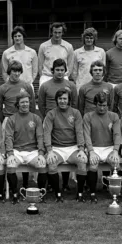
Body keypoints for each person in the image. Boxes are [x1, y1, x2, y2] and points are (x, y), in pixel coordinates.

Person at [38, 58, 77, 191]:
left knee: (66, 145)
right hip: (50, 120)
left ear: (65, 71)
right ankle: (50, 183)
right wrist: (47, 117)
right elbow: (41, 104)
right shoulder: (45, 86)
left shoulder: (71, 85)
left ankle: (65, 183)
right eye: (57, 70)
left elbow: (74, 103)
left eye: (62, 70)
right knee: (52, 149)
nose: (59, 72)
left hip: (66, 120)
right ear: (52, 71)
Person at [0, 60, 35, 189]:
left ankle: (25, 182)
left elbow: (32, 105)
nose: (16, 73)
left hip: (25, 120)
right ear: (9, 72)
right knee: (10, 150)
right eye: (14, 71)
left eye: (19, 71)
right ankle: (11, 185)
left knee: (25, 148)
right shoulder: (3, 88)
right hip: (9, 121)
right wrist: (3, 122)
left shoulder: (27, 86)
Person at [44, 88, 87, 202]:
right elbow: (47, 133)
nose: (62, 101)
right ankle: (58, 194)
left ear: (69, 100)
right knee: (51, 162)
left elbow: (79, 132)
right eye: (60, 99)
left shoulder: (76, 113)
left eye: (65, 99)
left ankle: (80, 194)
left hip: (73, 148)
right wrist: (49, 151)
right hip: (57, 148)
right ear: (56, 100)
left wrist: (81, 149)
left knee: (82, 161)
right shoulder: (51, 114)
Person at [5, 92, 47, 204]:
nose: (25, 104)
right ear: (18, 104)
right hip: (16, 151)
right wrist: (10, 154)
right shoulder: (11, 119)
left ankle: (40, 195)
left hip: (32, 152)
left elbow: (40, 137)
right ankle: (15, 195)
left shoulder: (36, 118)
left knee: (42, 164)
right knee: (11, 165)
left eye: (27, 102)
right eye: (22, 102)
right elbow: (8, 137)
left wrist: (41, 153)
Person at [83, 92, 121, 203]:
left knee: (116, 163)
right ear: (95, 104)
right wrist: (91, 151)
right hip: (94, 148)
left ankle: (115, 191)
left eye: (104, 105)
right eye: (100, 105)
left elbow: (117, 134)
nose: (102, 108)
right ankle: (92, 193)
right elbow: (86, 135)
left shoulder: (114, 116)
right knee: (93, 165)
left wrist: (115, 151)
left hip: (109, 148)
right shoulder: (88, 116)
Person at [38, 22, 74, 87]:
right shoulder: (43, 46)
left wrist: (65, 75)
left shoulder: (69, 46)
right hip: (46, 77)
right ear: (51, 32)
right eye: (55, 32)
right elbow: (40, 65)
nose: (57, 35)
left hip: (63, 77)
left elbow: (70, 65)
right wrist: (43, 76)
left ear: (63, 33)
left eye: (59, 32)